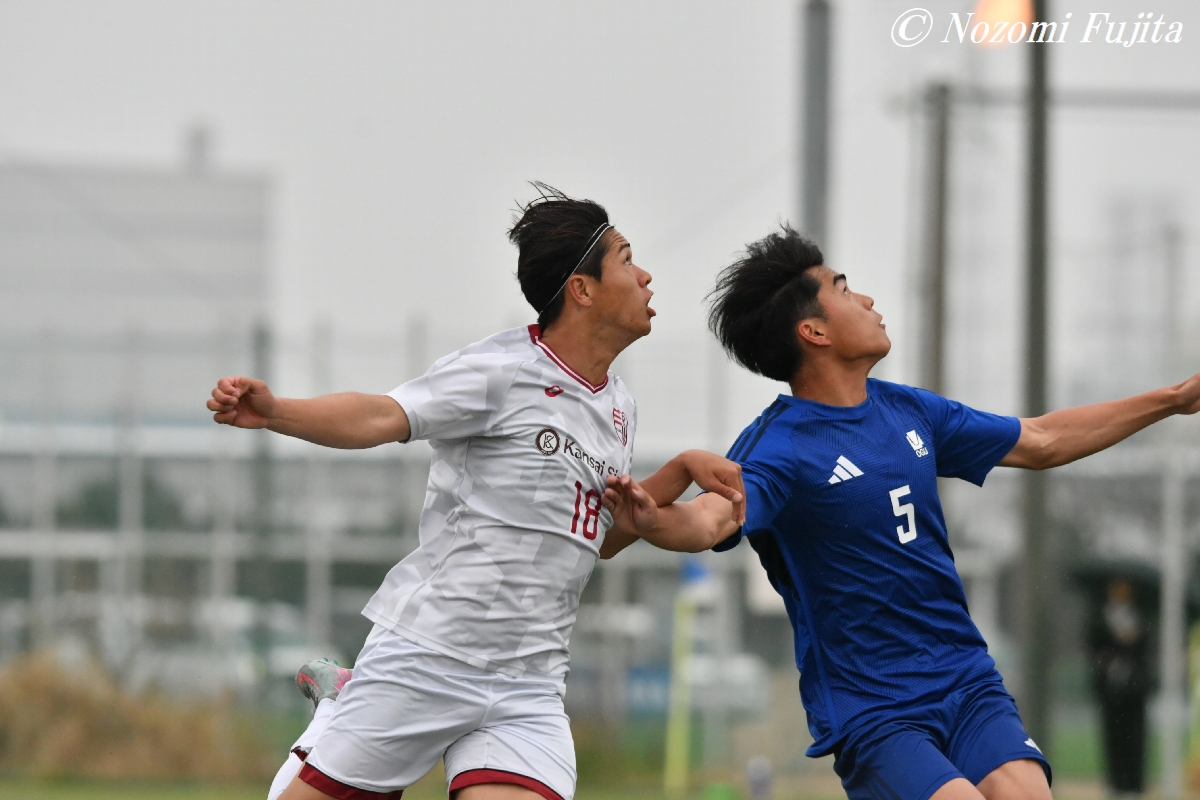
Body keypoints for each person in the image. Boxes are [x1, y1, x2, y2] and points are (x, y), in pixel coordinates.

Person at [600, 225, 1200, 800]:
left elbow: (1042, 440)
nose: (865, 299)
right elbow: (711, 519)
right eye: (843, 289)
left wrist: (1174, 399)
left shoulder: (909, 411)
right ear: (814, 331)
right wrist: (652, 519)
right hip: (875, 708)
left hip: (966, 680)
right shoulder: (779, 446)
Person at [208, 185, 746, 800]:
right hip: (429, 656)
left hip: (529, 686)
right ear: (582, 289)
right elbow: (381, 416)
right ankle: (336, 713)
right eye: (627, 260)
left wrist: (676, 473)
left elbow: (599, 539)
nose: (646, 275)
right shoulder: (502, 371)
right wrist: (276, 411)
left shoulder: (618, 408)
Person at [1087, 577, 1152, 797]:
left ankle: (1134, 784)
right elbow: (1094, 645)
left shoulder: (1141, 615)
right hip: (1110, 688)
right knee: (1112, 735)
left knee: (1135, 736)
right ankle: (1115, 783)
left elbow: (1145, 649)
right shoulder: (1100, 616)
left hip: (1135, 687)